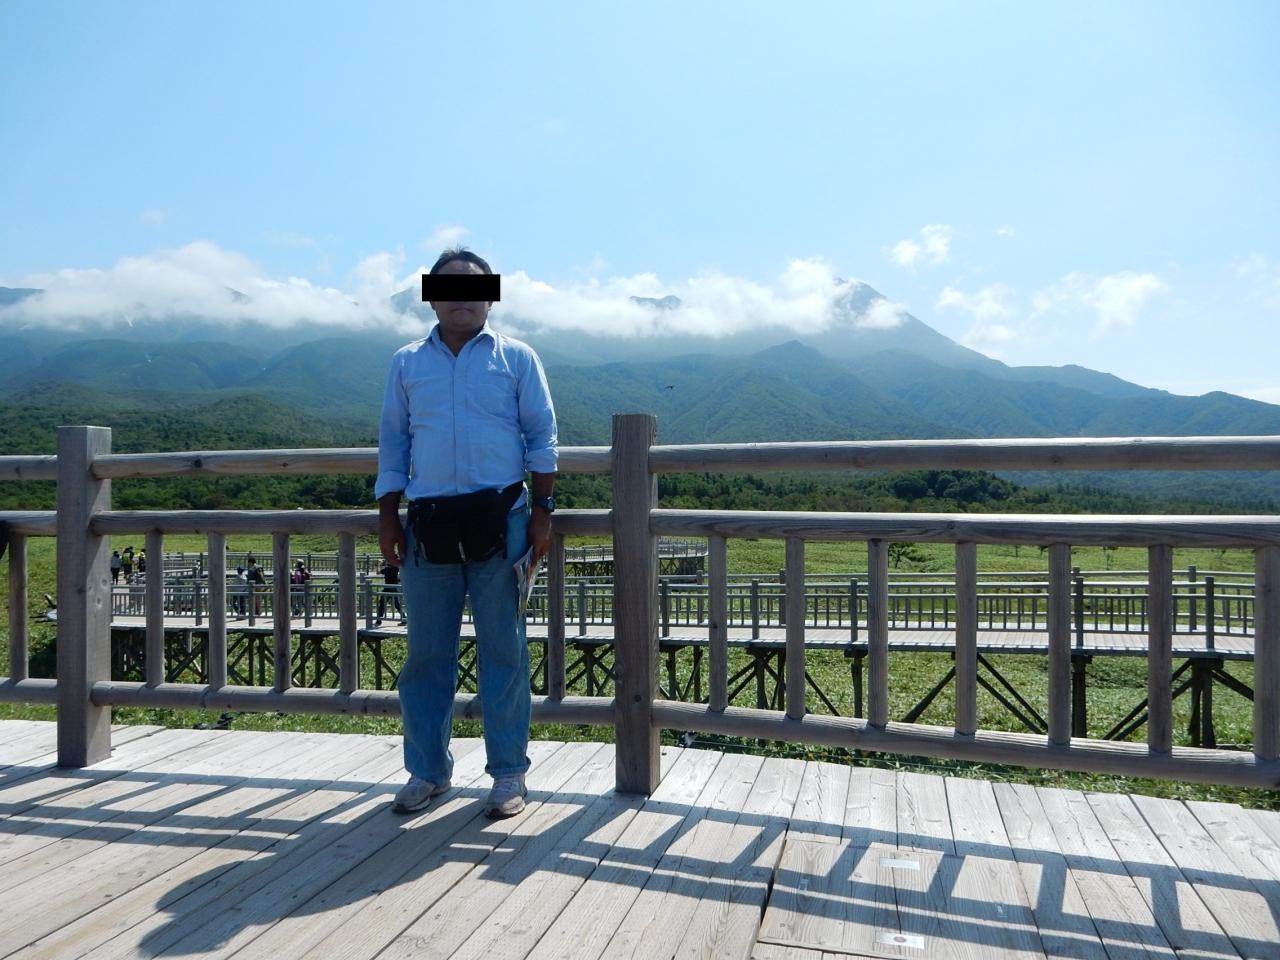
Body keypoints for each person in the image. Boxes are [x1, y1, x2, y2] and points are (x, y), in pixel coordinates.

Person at [377, 247, 557, 819]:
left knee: (504, 649)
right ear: (430, 296)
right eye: (449, 288)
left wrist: (543, 513)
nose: (463, 299)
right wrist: (387, 515)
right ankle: (427, 772)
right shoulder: (407, 363)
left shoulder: (518, 358)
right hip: (428, 522)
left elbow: (542, 436)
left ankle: (508, 773)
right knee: (426, 655)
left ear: (491, 297)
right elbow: (394, 441)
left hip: (503, 519)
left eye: (476, 288)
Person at [375, 559, 404, 625]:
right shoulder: (396, 569)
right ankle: (404, 619)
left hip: (387, 589)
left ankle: (378, 620)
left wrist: (379, 565)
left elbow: (378, 572)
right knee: (397, 604)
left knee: (382, 604)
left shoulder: (386, 569)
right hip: (394, 588)